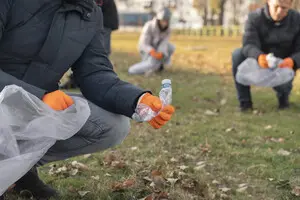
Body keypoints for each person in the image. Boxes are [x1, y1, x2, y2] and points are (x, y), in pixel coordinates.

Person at [0, 0, 175, 199]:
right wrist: (37, 97)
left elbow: (95, 73)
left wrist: (137, 99)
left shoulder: (90, 12)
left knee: (113, 126)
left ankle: (20, 167)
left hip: (40, 106)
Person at [232, 0, 300, 111]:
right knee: (237, 54)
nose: (279, 12)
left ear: (290, 5)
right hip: (260, 60)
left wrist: (293, 61)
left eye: (284, 8)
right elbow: (249, 44)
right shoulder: (254, 17)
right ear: (268, 2)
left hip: (284, 63)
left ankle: (283, 100)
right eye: (276, 7)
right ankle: (245, 103)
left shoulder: (297, 19)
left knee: (284, 87)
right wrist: (258, 56)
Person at [128, 7, 175, 75]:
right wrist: (152, 52)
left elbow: (164, 42)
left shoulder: (168, 30)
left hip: (158, 49)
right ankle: (132, 70)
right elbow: (143, 43)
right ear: (159, 19)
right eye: (163, 20)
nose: (164, 23)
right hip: (146, 50)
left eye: (166, 21)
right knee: (151, 64)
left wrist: (161, 53)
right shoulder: (149, 26)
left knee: (171, 47)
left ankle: (158, 65)